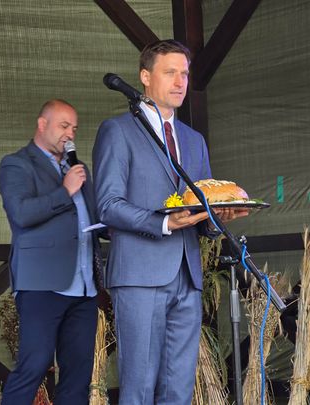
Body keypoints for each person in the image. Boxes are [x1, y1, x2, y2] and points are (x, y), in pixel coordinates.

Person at [93, 39, 248, 405]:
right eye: (170, 72)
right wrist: (164, 223)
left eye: (185, 74)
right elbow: (108, 205)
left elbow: (201, 210)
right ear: (145, 77)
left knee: (178, 389)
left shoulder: (194, 141)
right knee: (139, 388)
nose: (180, 82)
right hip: (139, 275)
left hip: (187, 276)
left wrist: (218, 217)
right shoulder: (118, 131)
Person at [0, 99, 103, 405]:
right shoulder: (17, 164)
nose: (70, 134)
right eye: (63, 126)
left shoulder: (78, 170)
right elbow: (21, 214)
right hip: (42, 285)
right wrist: (65, 191)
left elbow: (92, 218)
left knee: (77, 375)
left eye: (74, 129)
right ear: (42, 124)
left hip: (84, 287)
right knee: (34, 366)